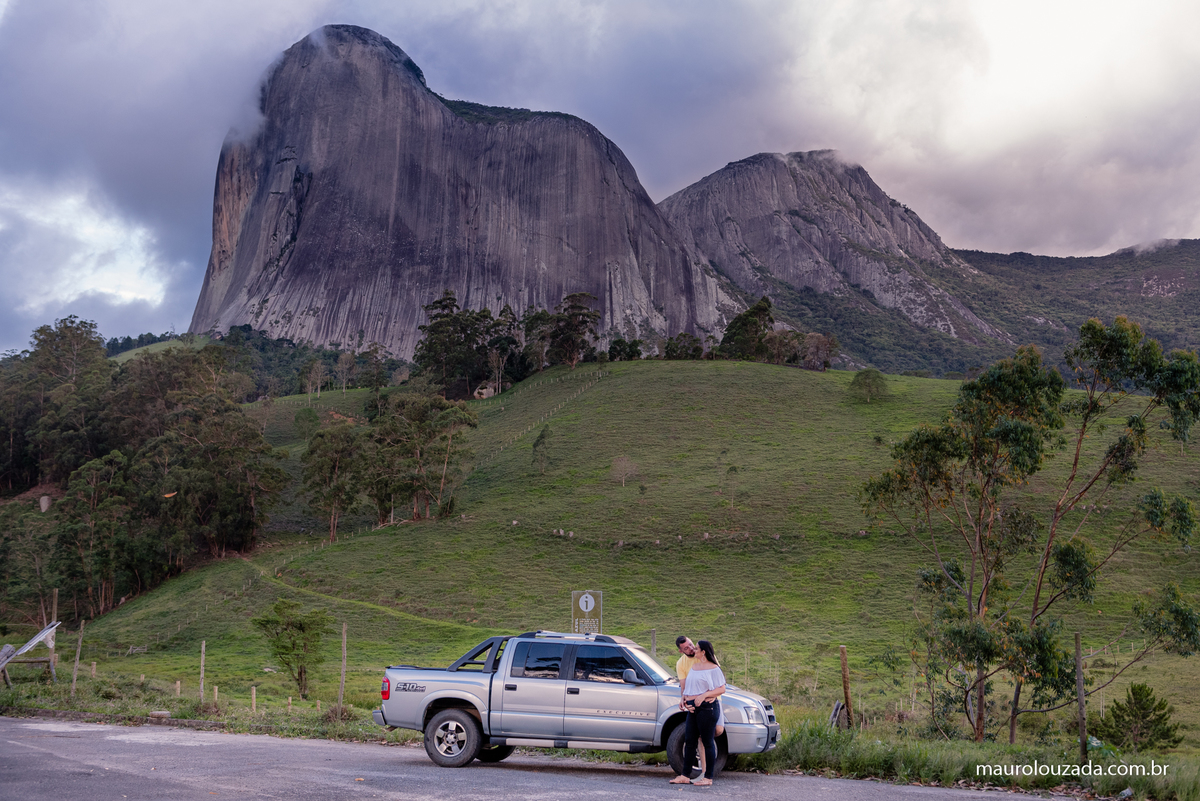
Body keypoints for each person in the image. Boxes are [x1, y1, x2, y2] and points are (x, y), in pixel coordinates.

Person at [669, 640, 726, 787]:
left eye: (697, 648)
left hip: (707, 708)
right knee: (690, 740)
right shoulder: (694, 667)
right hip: (693, 708)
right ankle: (685, 775)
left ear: (703, 652)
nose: (694, 649)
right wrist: (685, 699)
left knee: (707, 741)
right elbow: (688, 687)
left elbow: (721, 689)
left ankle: (708, 777)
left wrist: (705, 695)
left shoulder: (714, 668)